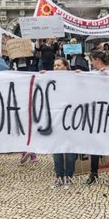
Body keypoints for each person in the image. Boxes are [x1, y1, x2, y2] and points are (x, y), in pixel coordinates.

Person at [86, 49, 109, 184]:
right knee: (95, 143)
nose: (91, 63)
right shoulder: (92, 74)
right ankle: (93, 173)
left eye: (92, 60)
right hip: (97, 112)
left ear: (97, 60)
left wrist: (106, 76)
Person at [45, 58, 77, 189]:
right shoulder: (50, 79)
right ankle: (59, 177)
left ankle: (68, 177)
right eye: (54, 65)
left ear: (66, 66)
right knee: (57, 151)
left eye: (58, 65)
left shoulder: (74, 78)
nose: (56, 67)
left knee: (69, 152)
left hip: (71, 120)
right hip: (56, 120)